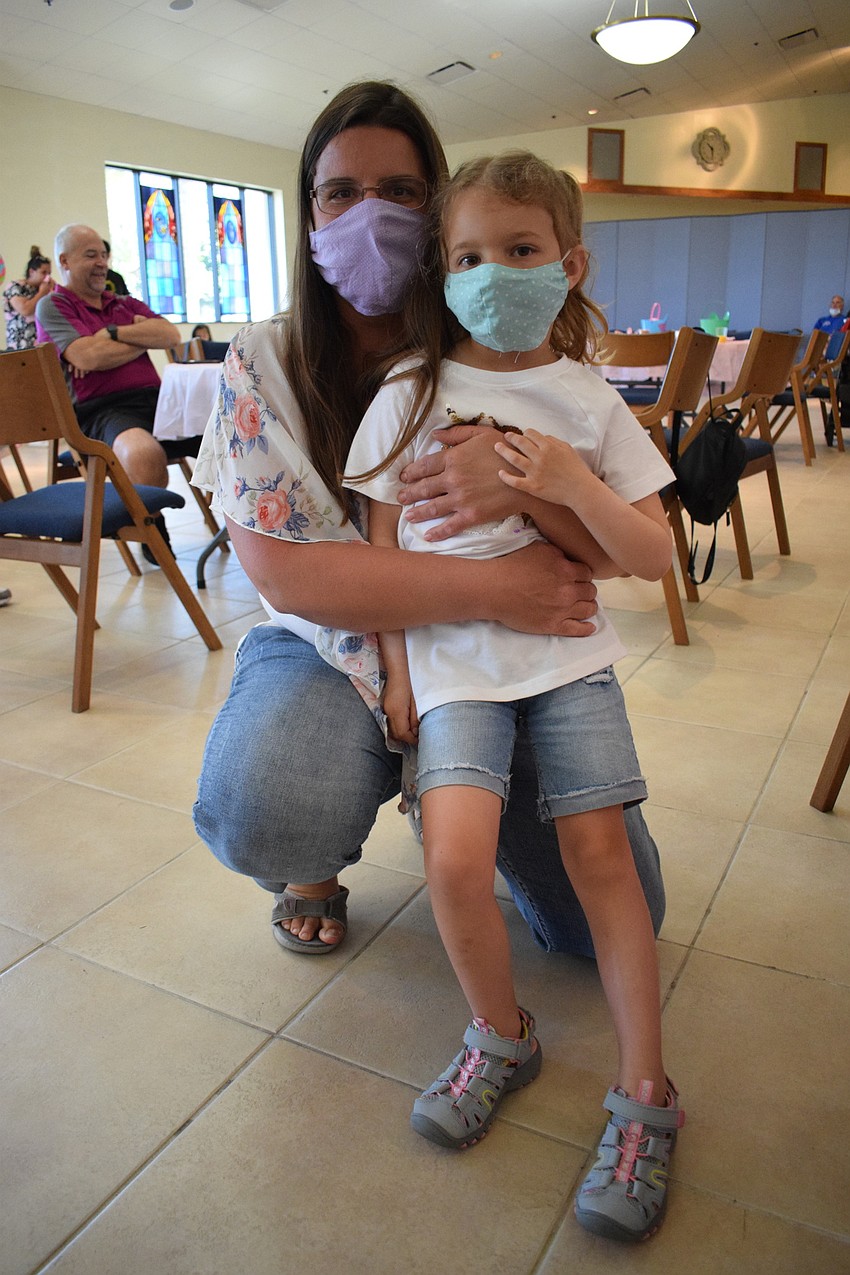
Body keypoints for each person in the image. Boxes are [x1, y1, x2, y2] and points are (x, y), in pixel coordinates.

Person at [191, 83, 665, 997]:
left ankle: (456, 796)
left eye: (402, 192)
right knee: (271, 801)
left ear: (440, 208)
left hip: (499, 658)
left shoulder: (504, 344)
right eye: (340, 192)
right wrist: (493, 589)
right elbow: (288, 578)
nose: (369, 214)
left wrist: (525, 484)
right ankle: (315, 862)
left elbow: (619, 548)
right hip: (335, 647)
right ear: (308, 212)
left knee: (607, 914)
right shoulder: (266, 359)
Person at [334, 149, 681, 1242]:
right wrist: (394, 669)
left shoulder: (586, 396)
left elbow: (654, 554)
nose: (493, 275)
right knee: (450, 857)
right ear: (441, 273)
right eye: (468, 257)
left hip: (569, 656)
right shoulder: (410, 390)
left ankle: (646, 1094)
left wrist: (569, 479)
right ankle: (500, 1033)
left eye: (520, 251)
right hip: (451, 666)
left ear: (568, 263)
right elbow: (378, 540)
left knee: (601, 856)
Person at [35, 224, 181, 492]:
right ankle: (153, 532)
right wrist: (141, 338)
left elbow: (170, 336)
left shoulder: (124, 302)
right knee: (143, 454)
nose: (102, 263)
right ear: (64, 261)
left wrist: (112, 333)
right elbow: (89, 357)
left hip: (159, 401)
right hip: (104, 411)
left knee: (233, 436)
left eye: (104, 255)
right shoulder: (54, 305)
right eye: (91, 255)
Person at [3, 247, 54, 350]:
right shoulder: (15, 287)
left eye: (49, 273)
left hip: (41, 346)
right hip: (19, 347)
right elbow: (25, 310)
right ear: (31, 272)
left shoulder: (43, 289)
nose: (47, 277)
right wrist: (42, 293)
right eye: (43, 273)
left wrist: (53, 291)